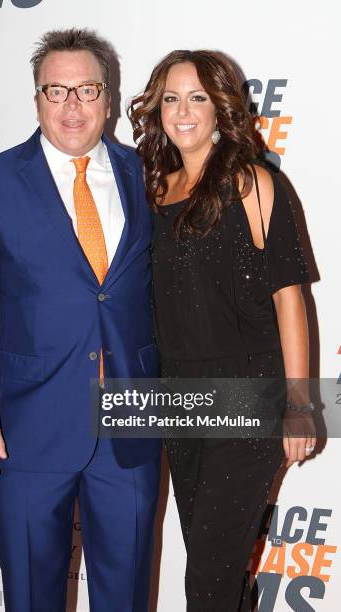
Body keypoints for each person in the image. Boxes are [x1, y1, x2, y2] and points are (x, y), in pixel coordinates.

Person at [0, 28, 161, 612]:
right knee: (31, 595)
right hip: (24, 432)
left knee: (127, 595)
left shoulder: (146, 176)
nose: (72, 106)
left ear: (109, 99)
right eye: (56, 91)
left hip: (131, 429)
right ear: (37, 99)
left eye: (87, 90)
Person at [129, 50, 316, 611]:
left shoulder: (252, 183)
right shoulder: (155, 190)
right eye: (170, 98)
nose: (183, 111)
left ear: (221, 107)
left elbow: (290, 299)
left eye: (198, 97)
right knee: (223, 571)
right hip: (178, 402)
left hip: (248, 398)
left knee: (207, 580)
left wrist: (302, 404)